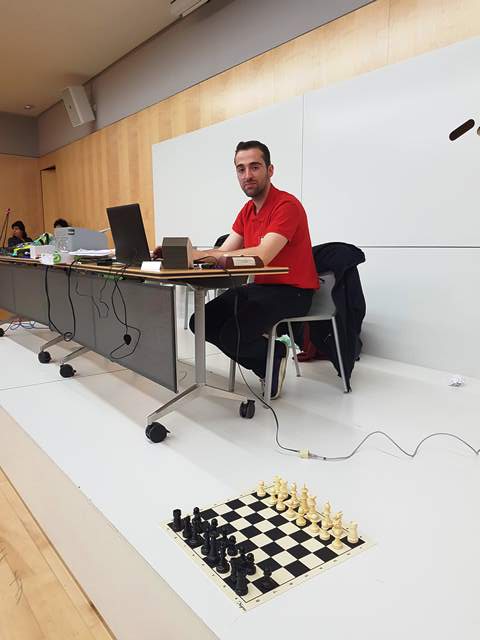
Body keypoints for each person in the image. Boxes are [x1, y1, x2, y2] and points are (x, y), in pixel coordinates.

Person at [188, 140, 319, 399]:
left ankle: (274, 356)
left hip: (293, 292)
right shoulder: (247, 211)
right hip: (261, 288)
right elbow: (225, 250)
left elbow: (262, 255)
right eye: (241, 169)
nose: (247, 175)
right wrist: (188, 254)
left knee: (231, 334)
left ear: (270, 170)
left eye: (255, 167)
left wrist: (204, 255)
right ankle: (268, 361)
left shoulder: (286, 206)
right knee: (201, 321)